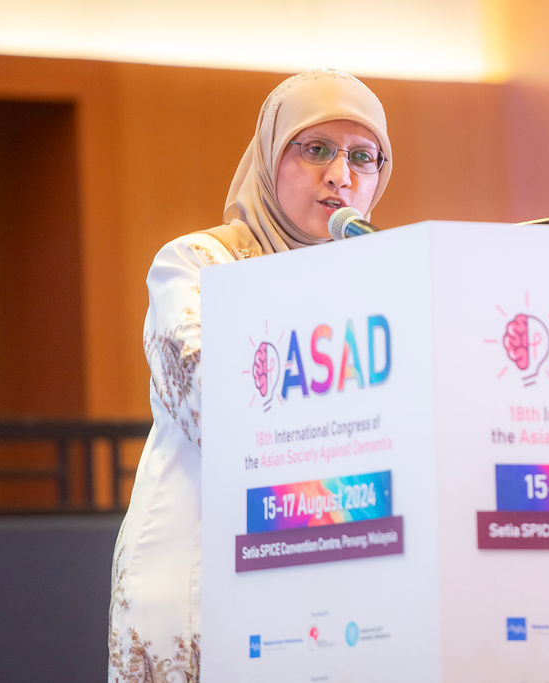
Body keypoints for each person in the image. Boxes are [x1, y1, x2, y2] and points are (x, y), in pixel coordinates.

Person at [107, 69, 393, 682]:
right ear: (269, 156)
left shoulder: (382, 284)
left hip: (330, 572)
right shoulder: (197, 265)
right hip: (202, 573)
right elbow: (214, 406)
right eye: (315, 149)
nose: (341, 176)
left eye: (362, 157)